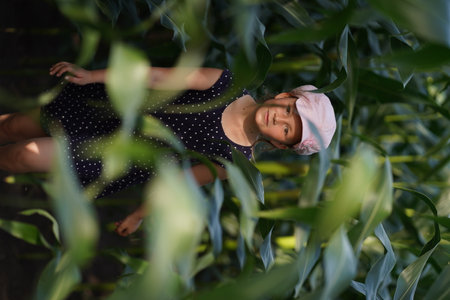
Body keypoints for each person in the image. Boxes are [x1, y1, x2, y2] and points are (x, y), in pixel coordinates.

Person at [0, 61, 336, 236]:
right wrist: (94, 76)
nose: (280, 118)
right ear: (284, 96)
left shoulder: (235, 160)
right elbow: (158, 77)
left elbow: (181, 182)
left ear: (280, 143)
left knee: (22, 154)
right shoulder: (225, 84)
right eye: (289, 109)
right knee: (14, 126)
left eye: (287, 129)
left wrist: (138, 215)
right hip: (110, 110)